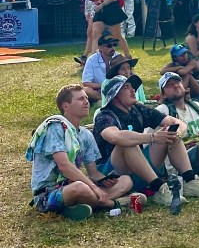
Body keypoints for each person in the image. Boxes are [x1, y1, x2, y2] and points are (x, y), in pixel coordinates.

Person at [93, 75, 199, 203]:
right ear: (114, 97)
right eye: (126, 87)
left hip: (139, 169)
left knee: (170, 132)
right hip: (112, 176)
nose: (133, 90)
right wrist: (152, 137)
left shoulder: (138, 110)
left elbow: (176, 122)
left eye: (131, 87)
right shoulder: (105, 116)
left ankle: (190, 180)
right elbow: (115, 137)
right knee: (127, 142)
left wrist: (178, 134)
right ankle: (158, 188)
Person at [27, 84, 134, 221]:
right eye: (80, 99)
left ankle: (77, 206)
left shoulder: (85, 135)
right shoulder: (55, 126)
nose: (86, 102)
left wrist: (105, 181)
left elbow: (93, 174)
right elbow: (64, 166)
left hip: (74, 185)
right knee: (79, 188)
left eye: (86, 98)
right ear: (66, 106)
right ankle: (112, 204)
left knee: (125, 180)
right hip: (47, 194)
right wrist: (94, 188)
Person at [81, 32, 118, 103]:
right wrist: (104, 85)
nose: (113, 48)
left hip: (116, 89)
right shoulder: (92, 60)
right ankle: (110, 100)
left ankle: (106, 101)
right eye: (109, 46)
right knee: (85, 90)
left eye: (115, 45)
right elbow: (86, 83)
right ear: (100, 47)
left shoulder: (119, 57)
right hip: (99, 91)